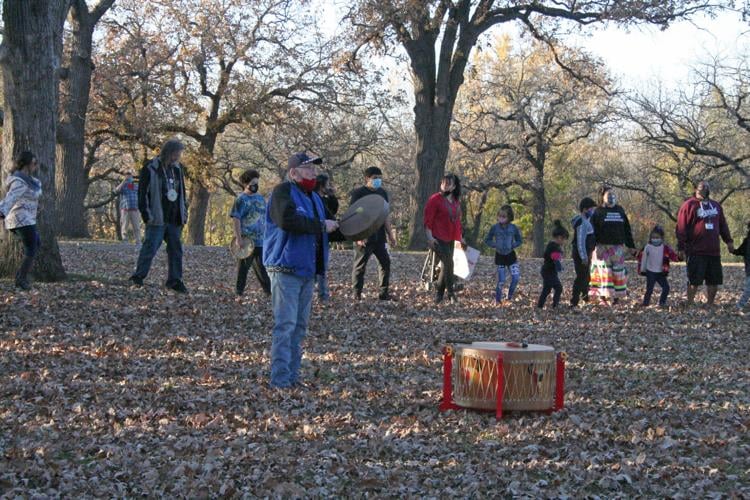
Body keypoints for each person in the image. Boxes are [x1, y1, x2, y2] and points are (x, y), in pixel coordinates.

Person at [264, 151, 339, 389]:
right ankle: (280, 380)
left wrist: (364, 222)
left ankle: (293, 377)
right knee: (285, 326)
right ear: (293, 172)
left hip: (307, 270)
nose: (313, 173)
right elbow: (288, 220)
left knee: (299, 327)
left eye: (314, 169)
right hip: (284, 267)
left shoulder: (315, 198)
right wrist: (321, 225)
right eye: (308, 169)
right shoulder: (282, 192)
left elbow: (331, 227)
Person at [129, 139, 189, 293]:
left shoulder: (178, 169)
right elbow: (142, 194)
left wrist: (184, 213)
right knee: (150, 247)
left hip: (174, 219)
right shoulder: (151, 168)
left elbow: (182, 192)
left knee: (176, 250)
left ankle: (175, 280)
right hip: (157, 217)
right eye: (177, 153)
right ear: (169, 152)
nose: (178, 156)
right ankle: (138, 277)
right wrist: (147, 215)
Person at [675, 180, 734, 306]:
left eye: (706, 187)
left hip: (713, 251)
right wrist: (680, 247)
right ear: (696, 189)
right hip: (696, 251)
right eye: (701, 187)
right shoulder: (688, 205)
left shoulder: (716, 205)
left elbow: (723, 225)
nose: (704, 190)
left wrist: (729, 241)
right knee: (694, 281)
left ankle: (710, 304)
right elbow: (681, 227)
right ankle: (690, 303)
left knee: (714, 281)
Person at [350, 167, 397, 301]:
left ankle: (383, 293)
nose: (378, 180)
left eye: (380, 178)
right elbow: (353, 216)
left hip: (379, 236)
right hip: (364, 236)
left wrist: (391, 235)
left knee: (385, 263)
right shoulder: (358, 193)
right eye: (375, 178)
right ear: (367, 178)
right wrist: (358, 236)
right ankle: (357, 293)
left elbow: (385, 215)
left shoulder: (382, 193)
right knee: (360, 266)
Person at [0, 151, 42, 291]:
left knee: (36, 243)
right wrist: (1, 211)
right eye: (34, 163)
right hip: (20, 220)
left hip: (27, 219)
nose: (36, 166)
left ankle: (20, 277)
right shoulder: (19, 182)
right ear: (27, 165)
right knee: (32, 248)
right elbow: (10, 198)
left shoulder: (30, 181)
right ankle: (21, 279)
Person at [589, 185, 636, 303]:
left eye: (613, 195)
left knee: (617, 271)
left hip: (618, 248)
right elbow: (592, 231)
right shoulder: (597, 212)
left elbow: (627, 229)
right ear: (602, 196)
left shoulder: (620, 210)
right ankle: (604, 296)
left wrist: (631, 246)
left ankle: (616, 297)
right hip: (602, 247)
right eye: (609, 195)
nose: (612, 197)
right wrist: (590, 247)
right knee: (606, 272)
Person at [424, 173, 464, 304]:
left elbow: (457, 222)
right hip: (437, 238)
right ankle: (451, 293)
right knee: (449, 263)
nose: (444, 185)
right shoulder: (434, 199)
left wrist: (461, 238)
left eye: (448, 183)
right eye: (443, 183)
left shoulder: (456, 202)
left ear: (454, 186)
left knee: (446, 266)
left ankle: (439, 296)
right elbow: (428, 220)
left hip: (451, 238)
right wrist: (429, 237)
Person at [230, 168, 270, 297]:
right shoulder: (241, 199)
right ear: (246, 183)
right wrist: (238, 238)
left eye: (257, 182)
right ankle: (239, 291)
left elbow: (265, 216)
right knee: (243, 268)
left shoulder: (260, 198)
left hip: (261, 239)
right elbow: (236, 218)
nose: (255, 185)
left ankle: (268, 291)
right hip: (247, 240)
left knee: (262, 267)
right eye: (253, 182)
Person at [484, 204, 522, 305]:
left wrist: (513, 245)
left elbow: (519, 240)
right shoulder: (494, 228)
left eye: (503, 216)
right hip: (500, 256)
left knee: (516, 277)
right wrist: (494, 245)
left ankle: (509, 297)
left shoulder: (513, 228)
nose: (501, 218)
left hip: (511, 256)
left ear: (509, 217)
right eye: (499, 216)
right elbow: (487, 240)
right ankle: (498, 299)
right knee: (501, 280)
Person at [314, 173, 343, 301]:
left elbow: (333, 211)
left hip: (325, 235)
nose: (329, 186)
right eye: (327, 184)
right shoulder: (313, 198)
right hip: (316, 235)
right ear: (321, 185)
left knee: (323, 266)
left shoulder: (325, 199)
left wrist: (332, 196)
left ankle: (323, 294)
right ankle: (319, 293)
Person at [638, 225, 680, 307]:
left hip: (661, 272)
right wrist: (642, 269)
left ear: (662, 238)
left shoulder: (665, 248)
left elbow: (673, 256)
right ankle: (645, 303)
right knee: (649, 289)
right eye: (653, 237)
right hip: (650, 271)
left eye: (657, 237)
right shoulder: (648, 247)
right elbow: (643, 258)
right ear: (650, 238)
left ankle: (662, 302)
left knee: (666, 288)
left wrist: (679, 258)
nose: (655, 239)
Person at [570, 197, 597, 307]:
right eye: (591, 209)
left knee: (586, 277)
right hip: (581, 255)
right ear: (585, 209)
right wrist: (584, 257)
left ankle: (585, 298)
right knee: (581, 277)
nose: (592, 211)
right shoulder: (581, 223)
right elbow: (580, 241)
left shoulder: (586, 221)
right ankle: (574, 301)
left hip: (586, 254)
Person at [537, 220, 569, 309]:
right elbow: (555, 258)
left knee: (546, 290)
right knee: (558, 288)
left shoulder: (552, 246)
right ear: (559, 237)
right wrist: (559, 267)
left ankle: (540, 306)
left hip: (549, 271)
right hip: (548, 272)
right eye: (564, 239)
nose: (564, 242)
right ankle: (555, 306)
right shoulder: (553, 247)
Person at [114, 170, 141, 244]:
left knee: (136, 226)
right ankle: (125, 240)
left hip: (135, 209)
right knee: (124, 226)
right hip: (125, 209)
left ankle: (138, 241)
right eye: (127, 176)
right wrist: (124, 181)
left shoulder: (136, 186)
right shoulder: (123, 187)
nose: (129, 177)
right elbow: (116, 191)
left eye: (130, 176)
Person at [731, 221, 750, 309]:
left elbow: (739, 251)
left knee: (748, 289)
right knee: (748, 289)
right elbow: (739, 251)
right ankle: (739, 305)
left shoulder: (747, 241)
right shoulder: (747, 241)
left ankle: (740, 305)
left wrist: (733, 250)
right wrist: (733, 250)